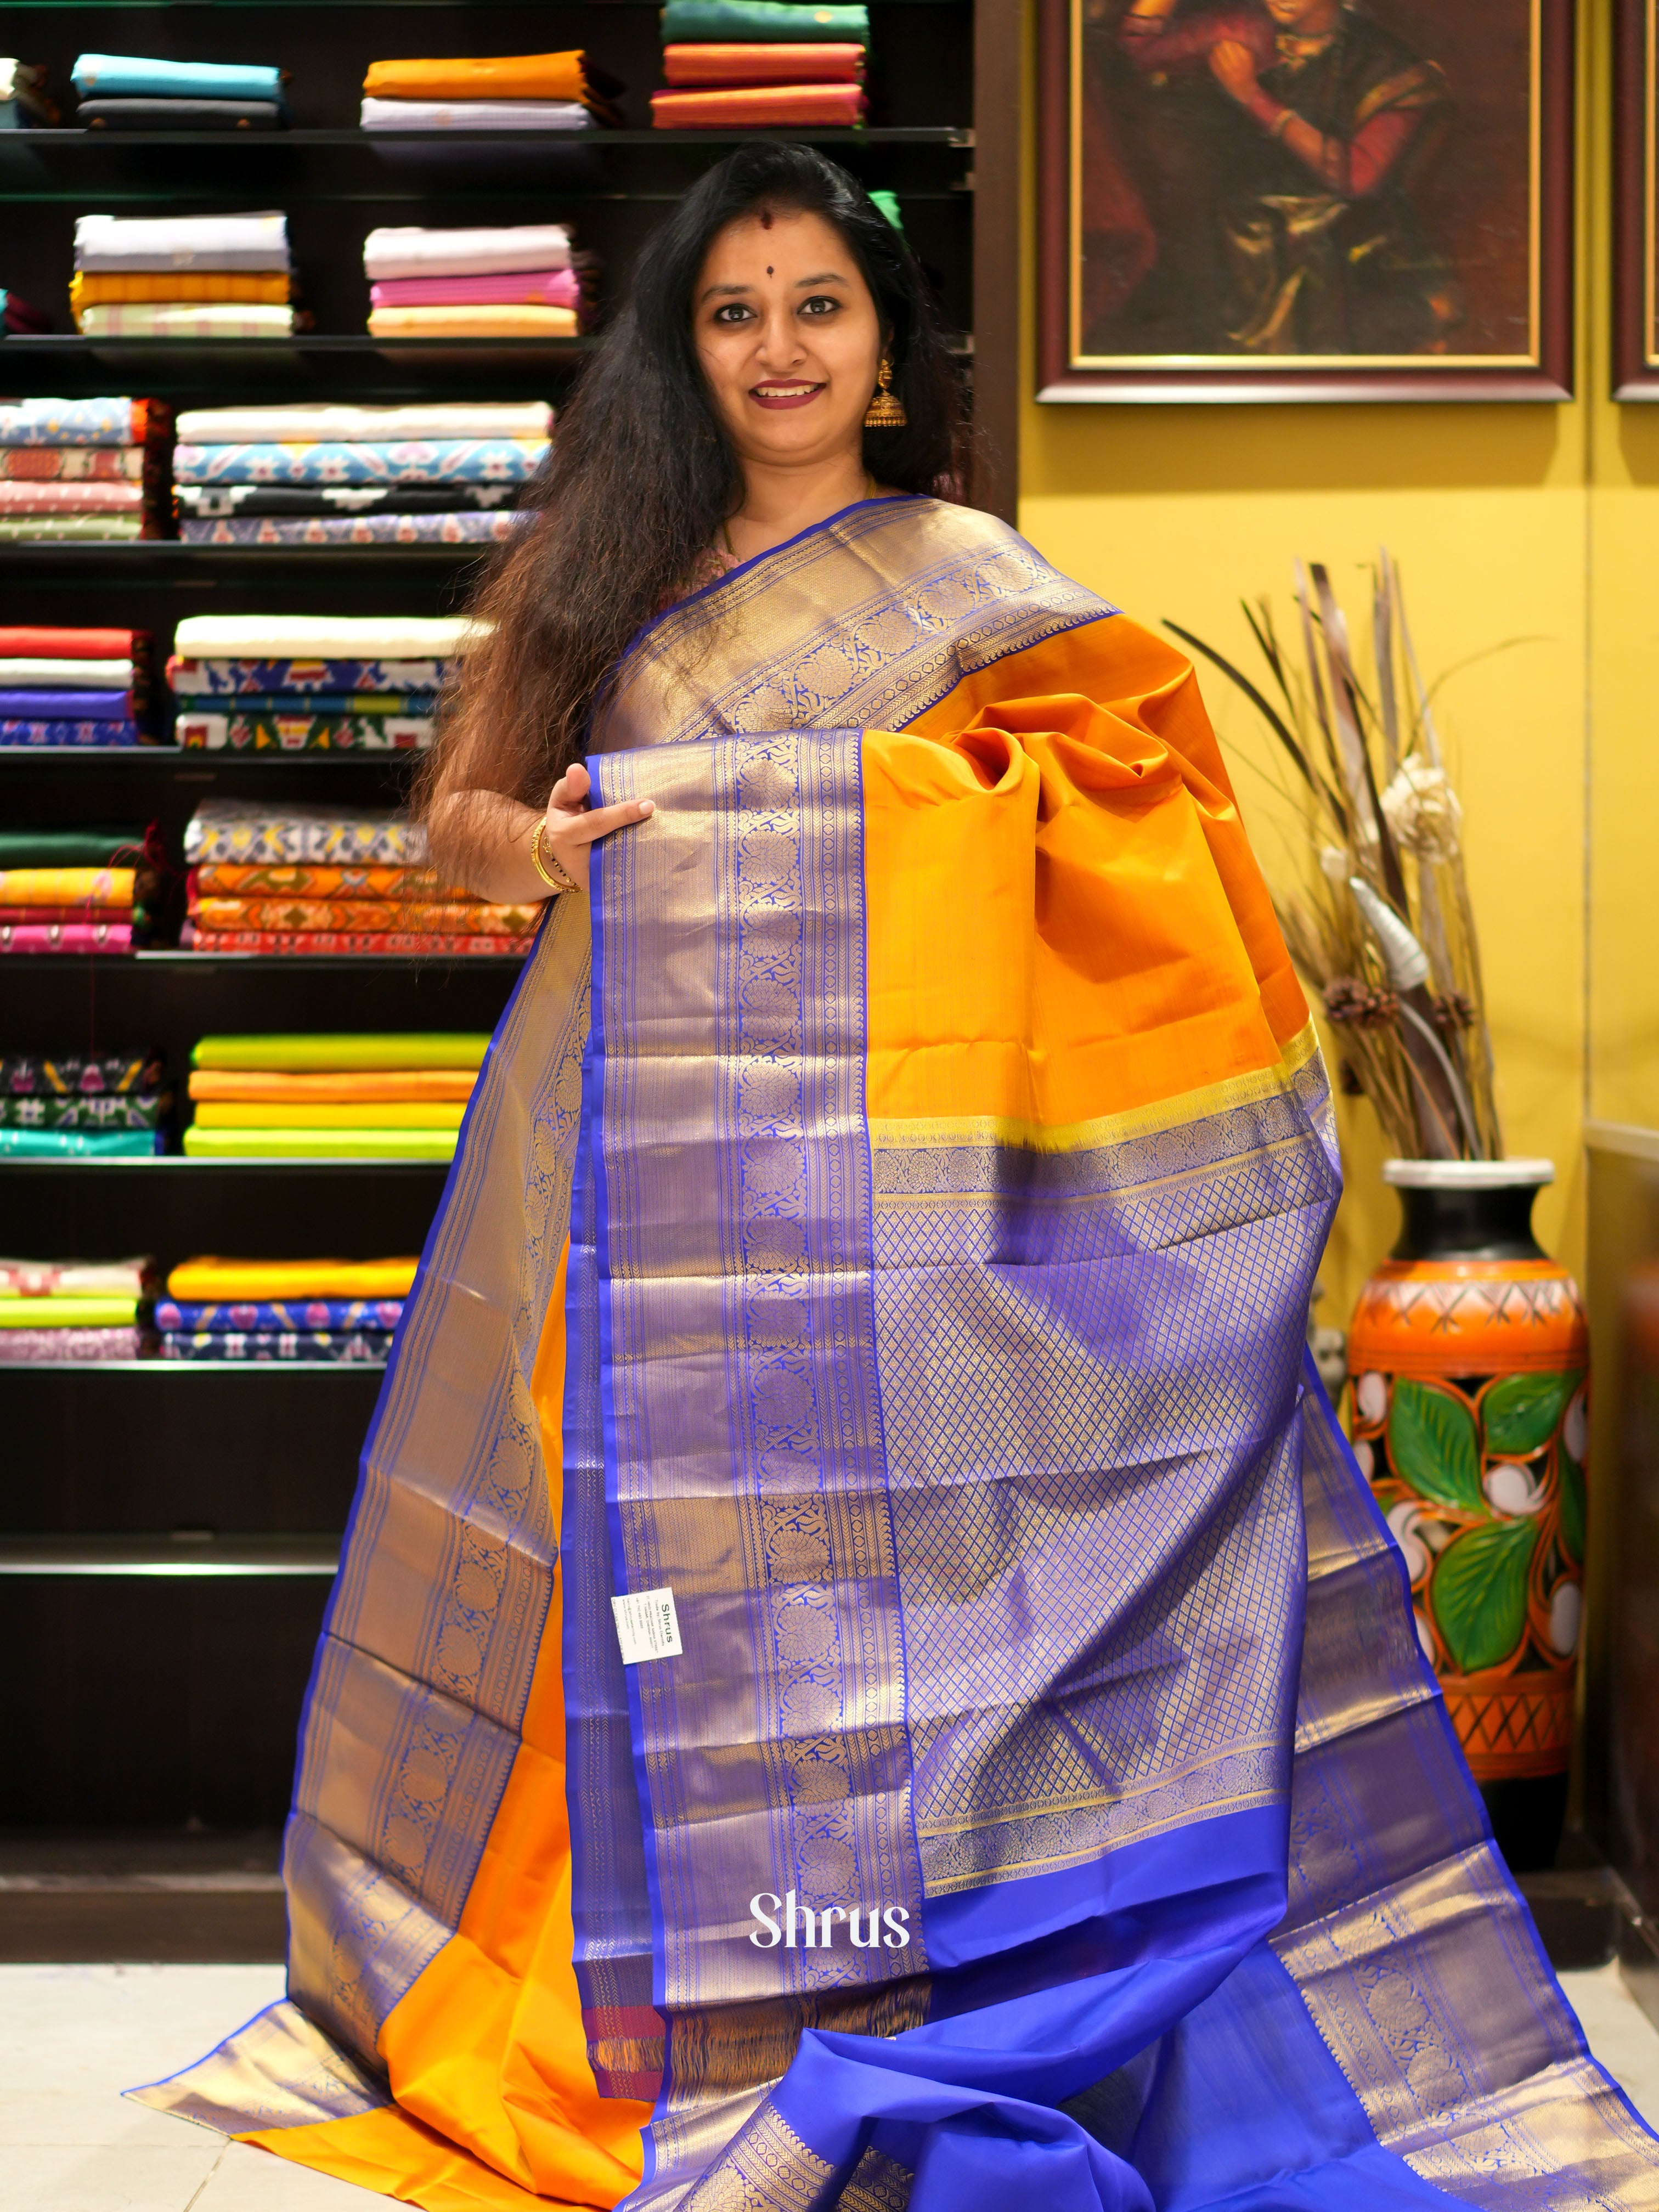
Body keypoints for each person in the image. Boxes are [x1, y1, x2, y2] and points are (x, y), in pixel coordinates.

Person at [139, 146, 1657, 2210]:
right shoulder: (607, 573)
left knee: (939, 1623)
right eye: (732, 311)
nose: (776, 345)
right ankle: (651, 2024)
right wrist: (548, 843)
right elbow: (471, 827)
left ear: (881, 349)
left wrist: (836, 805)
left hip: (913, 1232)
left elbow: (1135, 812)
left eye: (815, 306)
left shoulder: (966, 579)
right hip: (643, 1209)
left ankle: (949, 1993)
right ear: (687, 355)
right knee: (649, 1610)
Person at [1089, 0, 1458, 355]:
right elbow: (1134, 50)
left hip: (1342, 250)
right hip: (1239, 240)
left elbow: (1356, 176)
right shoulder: (1242, 29)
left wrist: (1252, 97)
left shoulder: (1389, 67)